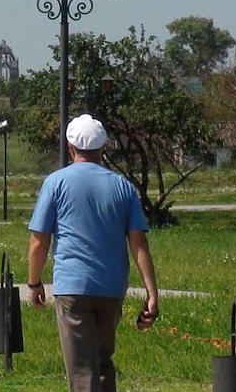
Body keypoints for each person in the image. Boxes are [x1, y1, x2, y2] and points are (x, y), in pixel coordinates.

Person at [27, 114, 160, 392]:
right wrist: (151, 293)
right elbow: (139, 244)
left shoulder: (56, 183)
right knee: (102, 363)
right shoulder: (123, 187)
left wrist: (34, 282)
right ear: (103, 147)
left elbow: (39, 242)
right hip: (111, 289)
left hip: (73, 287)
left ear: (70, 147)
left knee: (82, 370)